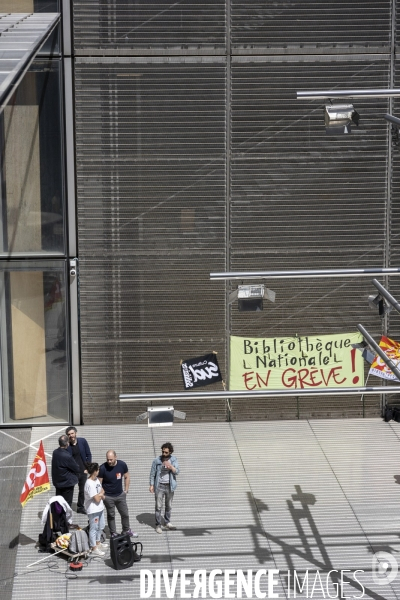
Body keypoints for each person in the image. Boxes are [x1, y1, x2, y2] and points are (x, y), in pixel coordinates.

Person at [98, 450, 138, 538]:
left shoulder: (122, 465)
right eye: (108, 459)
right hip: (108, 496)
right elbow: (99, 483)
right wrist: (103, 496)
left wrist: (126, 490)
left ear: (116, 457)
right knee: (111, 515)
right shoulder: (102, 468)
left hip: (120, 495)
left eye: (111, 459)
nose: (109, 461)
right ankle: (113, 533)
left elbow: (127, 476)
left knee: (125, 514)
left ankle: (126, 530)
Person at [149, 442, 179, 534]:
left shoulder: (173, 460)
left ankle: (167, 522)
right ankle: (158, 525)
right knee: (158, 506)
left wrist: (171, 467)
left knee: (168, 505)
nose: (164, 454)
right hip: (160, 486)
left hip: (169, 486)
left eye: (166, 452)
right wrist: (151, 485)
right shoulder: (157, 460)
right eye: (163, 452)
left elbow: (177, 471)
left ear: (170, 452)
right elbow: (152, 473)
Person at [66, 426, 92, 514]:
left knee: (82, 491)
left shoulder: (82, 441)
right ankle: (68, 508)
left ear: (75, 433)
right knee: (70, 491)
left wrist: (87, 468)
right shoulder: (66, 445)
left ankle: (80, 507)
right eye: (69, 434)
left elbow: (88, 454)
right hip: (72, 472)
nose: (71, 435)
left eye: (72, 433)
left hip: (83, 471)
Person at [84, 462, 108, 556]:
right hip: (93, 510)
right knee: (93, 528)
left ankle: (98, 542)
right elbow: (97, 499)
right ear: (94, 471)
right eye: (97, 470)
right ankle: (94, 547)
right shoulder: (89, 483)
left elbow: (102, 490)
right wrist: (101, 495)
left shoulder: (96, 480)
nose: (99, 471)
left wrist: (100, 494)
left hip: (100, 508)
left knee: (101, 526)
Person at [51, 435, 80, 507]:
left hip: (58, 483)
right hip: (67, 484)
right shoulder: (67, 456)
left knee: (58, 503)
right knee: (66, 504)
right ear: (67, 443)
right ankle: (64, 518)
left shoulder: (55, 452)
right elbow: (76, 468)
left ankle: (58, 516)